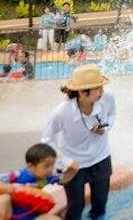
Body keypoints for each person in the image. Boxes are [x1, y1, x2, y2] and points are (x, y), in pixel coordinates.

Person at [41, 64, 116, 220]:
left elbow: (112, 115)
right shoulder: (62, 112)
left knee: (100, 204)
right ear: (82, 92)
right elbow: (47, 139)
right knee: (75, 207)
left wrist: (105, 128)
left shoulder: (107, 97)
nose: (102, 92)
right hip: (74, 164)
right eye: (97, 89)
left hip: (100, 158)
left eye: (101, 87)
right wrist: (65, 161)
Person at [0, 142, 78, 219]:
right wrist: (10, 189)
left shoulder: (48, 178)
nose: (50, 169)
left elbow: (63, 180)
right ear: (31, 166)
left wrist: (73, 169)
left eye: (52, 165)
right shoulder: (18, 175)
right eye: (46, 166)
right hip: (14, 214)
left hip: (33, 215)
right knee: (4, 199)